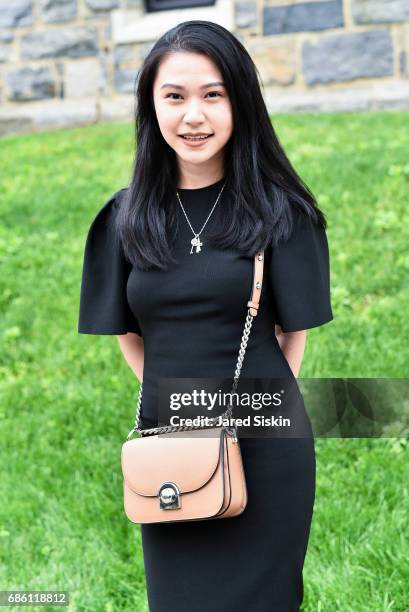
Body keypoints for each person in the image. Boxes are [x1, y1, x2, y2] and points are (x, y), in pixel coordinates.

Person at [78, 20, 333, 612]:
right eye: (175, 96)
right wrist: (179, 406)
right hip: (170, 447)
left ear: (240, 102)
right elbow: (127, 332)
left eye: (212, 95)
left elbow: (290, 338)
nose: (194, 115)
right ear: (151, 106)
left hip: (267, 445)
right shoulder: (123, 218)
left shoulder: (282, 213)